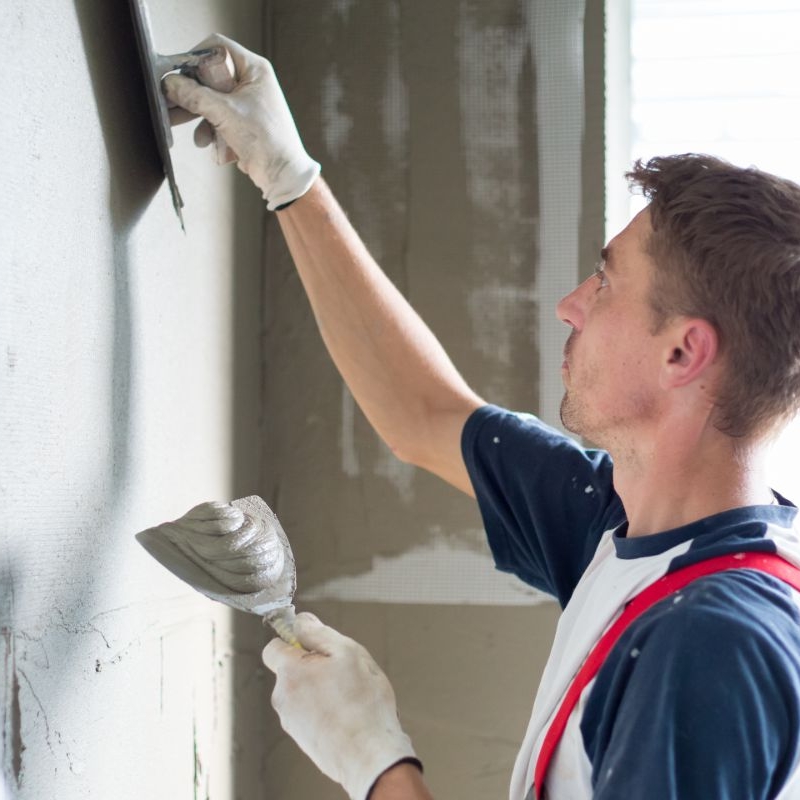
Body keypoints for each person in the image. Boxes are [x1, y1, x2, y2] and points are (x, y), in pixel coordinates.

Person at [164, 34, 800, 800]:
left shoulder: (711, 646)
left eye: (604, 283)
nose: (570, 305)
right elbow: (425, 412)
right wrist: (288, 175)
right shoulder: (634, 523)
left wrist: (377, 765)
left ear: (682, 354)